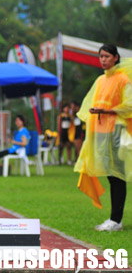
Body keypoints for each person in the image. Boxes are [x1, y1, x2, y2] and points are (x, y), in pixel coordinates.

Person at [74, 44, 132, 232]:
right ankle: (115, 219)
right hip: (102, 133)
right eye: (101, 56)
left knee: (117, 175)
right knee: (111, 175)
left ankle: (116, 220)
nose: (103, 60)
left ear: (116, 58)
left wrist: (107, 110)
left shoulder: (122, 79)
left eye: (107, 56)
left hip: (117, 132)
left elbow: (129, 106)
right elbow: (91, 103)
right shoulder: (100, 80)